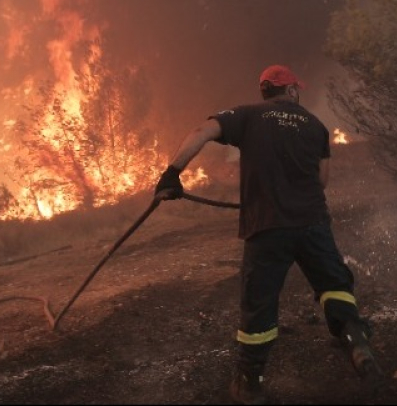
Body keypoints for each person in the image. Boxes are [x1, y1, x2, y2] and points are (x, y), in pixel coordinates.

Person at [154, 64, 381, 404]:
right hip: (312, 222)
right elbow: (321, 181)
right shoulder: (316, 126)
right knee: (334, 285)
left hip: (267, 226)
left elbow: (201, 131)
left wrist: (171, 174)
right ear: (291, 91)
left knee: (259, 303)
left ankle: (250, 382)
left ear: (264, 91)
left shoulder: (246, 116)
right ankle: (356, 341)